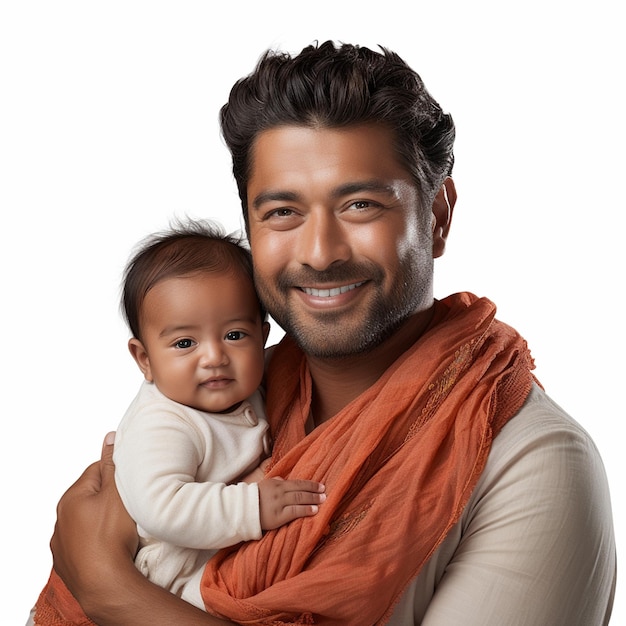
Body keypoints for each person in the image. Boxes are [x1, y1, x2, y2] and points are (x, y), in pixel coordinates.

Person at [42, 41, 616, 625]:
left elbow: (115, 575)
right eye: (283, 213)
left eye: (361, 205)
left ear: (438, 215)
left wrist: (110, 588)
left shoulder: (536, 461)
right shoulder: (220, 404)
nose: (319, 254)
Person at [31, 221, 325, 623]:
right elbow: (161, 507)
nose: (214, 357)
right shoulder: (164, 421)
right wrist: (251, 506)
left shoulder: (253, 385)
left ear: (263, 335)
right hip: (158, 571)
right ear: (145, 360)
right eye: (185, 343)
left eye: (235, 335)